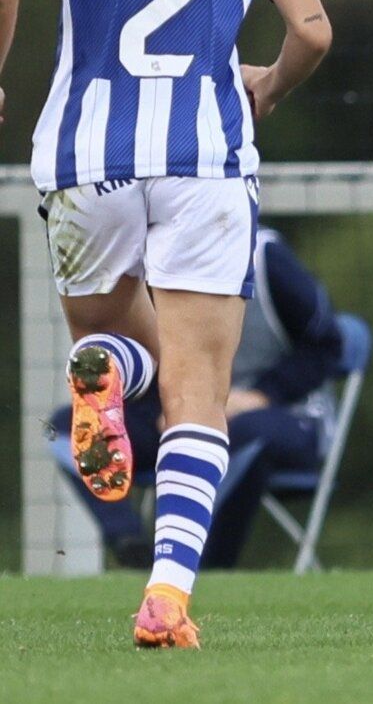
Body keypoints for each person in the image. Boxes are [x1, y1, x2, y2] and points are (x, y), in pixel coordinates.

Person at [0, 0, 331, 648]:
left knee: (116, 345)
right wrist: (269, 82)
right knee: (200, 392)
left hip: (85, 156)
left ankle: (113, 366)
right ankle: (167, 600)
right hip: (205, 156)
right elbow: (313, 29)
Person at [49, 227, 347, 570]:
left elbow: (328, 345)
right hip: (179, 408)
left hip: (281, 415)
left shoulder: (265, 260)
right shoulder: (146, 261)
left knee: (244, 432)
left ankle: (203, 568)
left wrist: (261, 395)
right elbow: (149, 354)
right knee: (69, 427)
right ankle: (132, 546)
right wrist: (165, 405)